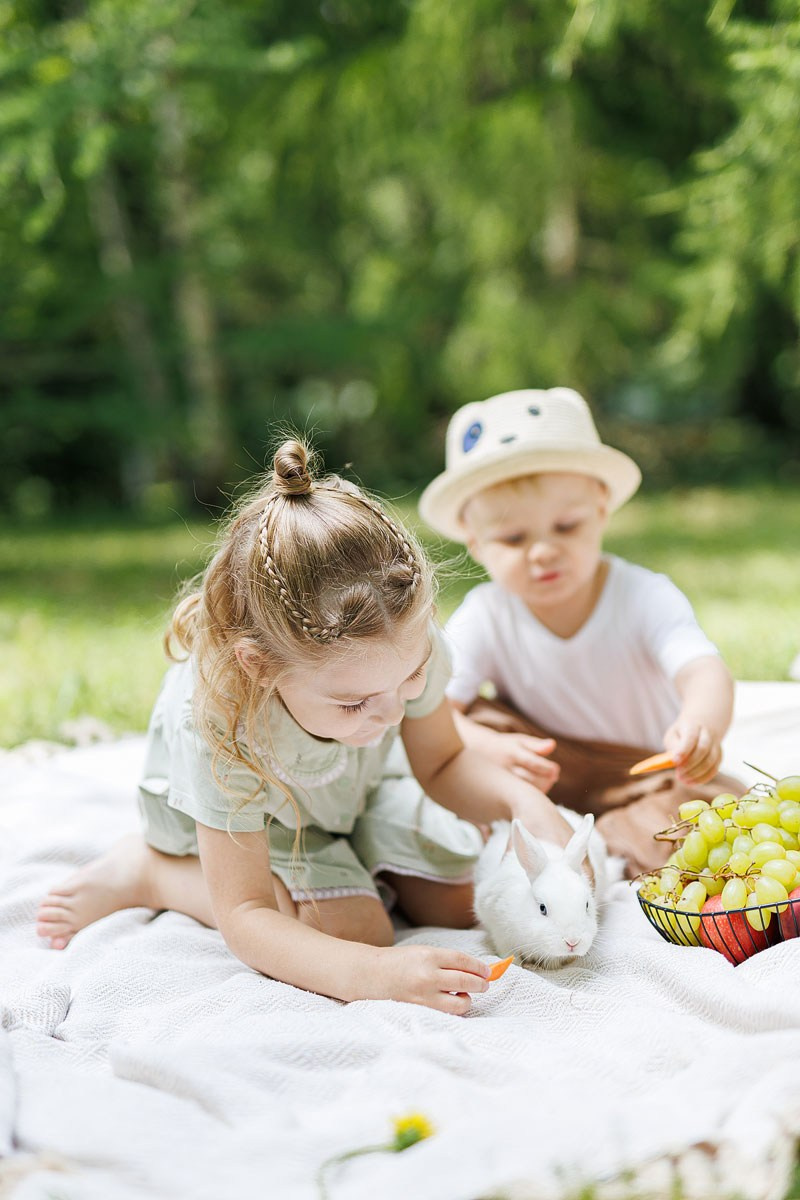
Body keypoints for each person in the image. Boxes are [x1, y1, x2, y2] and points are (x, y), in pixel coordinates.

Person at [37, 438, 576, 1014]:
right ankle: (154, 874)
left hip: (350, 789)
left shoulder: (396, 649)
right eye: (352, 703)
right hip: (258, 825)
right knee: (355, 935)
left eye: (411, 680)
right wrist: (373, 973)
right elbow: (247, 916)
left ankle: (361, 856)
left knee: (462, 900)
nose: (394, 713)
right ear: (261, 668)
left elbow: (441, 762)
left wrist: (523, 803)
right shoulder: (221, 725)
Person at [418, 387, 741, 877]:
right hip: (544, 774)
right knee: (472, 726)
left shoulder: (642, 595)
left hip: (647, 773)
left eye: (565, 527)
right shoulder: (488, 614)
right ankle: (527, 832)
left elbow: (703, 670)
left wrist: (702, 724)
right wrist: (483, 744)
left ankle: (604, 846)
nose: (543, 551)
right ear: (475, 540)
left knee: (708, 819)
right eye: (513, 538)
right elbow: (433, 713)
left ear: (601, 509)